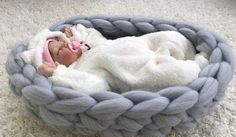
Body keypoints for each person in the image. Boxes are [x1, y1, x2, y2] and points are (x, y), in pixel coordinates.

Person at [22, 24, 209, 93]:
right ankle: (196, 65)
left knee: (173, 38)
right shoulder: (79, 70)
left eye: (62, 42)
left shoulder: (87, 46)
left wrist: (79, 33)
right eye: (58, 51)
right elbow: (94, 86)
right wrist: (59, 74)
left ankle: (189, 54)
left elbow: (96, 36)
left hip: (141, 45)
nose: (65, 45)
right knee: (175, 74)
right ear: (56, 63)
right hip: (136, 68)